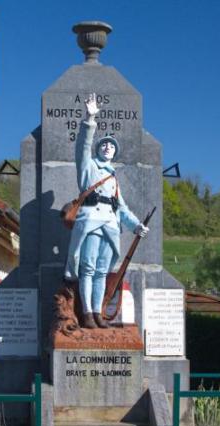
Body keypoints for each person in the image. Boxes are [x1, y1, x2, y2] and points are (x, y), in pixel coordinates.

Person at [63, 93, 149, 329]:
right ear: (99, 149)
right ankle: (87, 313)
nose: (108, 147)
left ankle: (98, 312)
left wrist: (136, 225)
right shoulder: (89, 167)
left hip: (110, 226)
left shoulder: (113, 178)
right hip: (91, 222)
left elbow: (122, 208)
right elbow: (82, 147)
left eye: (112, 146)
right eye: (104, 145)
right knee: (88, 269)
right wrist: (89, 119)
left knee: (102, 272)